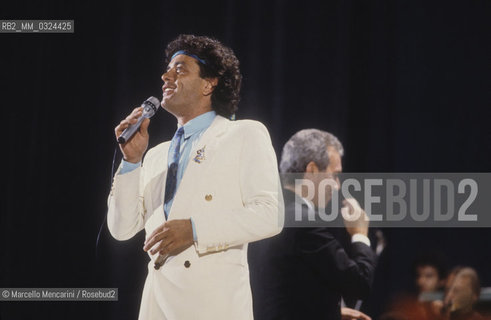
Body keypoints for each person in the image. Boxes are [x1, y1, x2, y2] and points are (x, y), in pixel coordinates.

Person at [107, 34, 283, 320]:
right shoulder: (154, 155)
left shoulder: (244, 134)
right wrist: (131, 160)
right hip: (157, 305)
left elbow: (270, 214)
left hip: (212, 306)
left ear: (209, 83)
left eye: (179, 69)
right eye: (167, 69)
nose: (165, 76)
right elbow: (121, 229)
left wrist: (195, 229)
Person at [248, 129, 376, 320]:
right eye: (334, 175)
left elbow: (282, 291)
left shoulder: (266, 211)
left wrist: (330, 313)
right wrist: (360, 234)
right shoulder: (304, 221)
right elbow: (359, 283)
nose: (337, 185)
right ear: (312, 170)